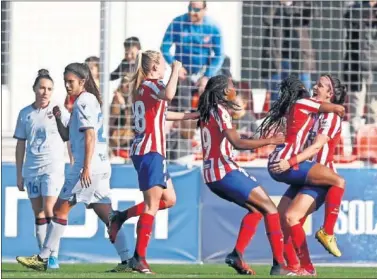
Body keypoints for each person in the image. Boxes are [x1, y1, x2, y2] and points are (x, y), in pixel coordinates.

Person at [15, 63, 129, 273]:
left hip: (88, 167)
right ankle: (128, 259)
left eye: (71, 82)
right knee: (108, 215)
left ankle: (43, 258)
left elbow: (90, 135)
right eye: (65, 81)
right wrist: (59, 117)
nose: (67, 85)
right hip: (101, 165)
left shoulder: (84, 101)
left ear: (82, 81)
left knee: (59, 210)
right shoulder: (84, 102)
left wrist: (85, 167)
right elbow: (68, 135)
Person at [107, 51, 199, 274]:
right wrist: (177, 70)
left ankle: (120, 217)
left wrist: (192, 115)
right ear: (154, 67)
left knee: (169, 200)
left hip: (150, 151)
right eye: (163, 64)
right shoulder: (151, 85)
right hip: (150, 151)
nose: (166, 67)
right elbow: (169, 95)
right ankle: (139, 259)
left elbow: (163, 114)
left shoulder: (144, 88)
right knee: (152, 206)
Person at [197, 75, 297, 276]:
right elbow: (237, 143)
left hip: (210, 175)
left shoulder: (207, 111)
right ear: (226, 91)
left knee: (257, 210)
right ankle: (279, 264)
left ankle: (237, 254)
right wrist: (271, 140)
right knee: (271, 209)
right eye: (233, 86)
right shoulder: (220, 110)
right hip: (225, 170)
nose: (235, 89)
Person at [259, 76, 346, 259]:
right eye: (316, 84)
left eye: (320, 86)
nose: (315, 87)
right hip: (304, 172)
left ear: (330, 93)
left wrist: (288, 162)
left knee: (291, 218)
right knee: (284, 219)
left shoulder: (330, 117)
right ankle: (293, 266)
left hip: (319, 177)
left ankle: (325, 236)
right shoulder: (312, 111)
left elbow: (316, 147)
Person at [13, 69, 70, 269]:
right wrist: (19, 173)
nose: (45, 92)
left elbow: (69, 136)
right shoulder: (25, 114)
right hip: (31, 168)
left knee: (50, 210)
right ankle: (42, 258)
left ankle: (52, 256)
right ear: (34, 89)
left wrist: (73, 161)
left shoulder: (58, 111)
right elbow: (20, 145)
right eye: (42, 88)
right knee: (38, 213)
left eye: (49, 89)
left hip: (52, 167)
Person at [161, 1, 224, 112]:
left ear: (205, 10)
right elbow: (164, 48)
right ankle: (185, 127)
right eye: (189, 8)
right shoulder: (178, 23)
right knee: (183, 109)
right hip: (184, 73)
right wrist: (176, 68)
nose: (191, 12)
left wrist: (207, 76)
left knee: (207, 104)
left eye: (196, 10)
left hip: (203, 71)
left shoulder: (212, 27)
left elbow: (219, 55)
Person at [261, 1, 317, 101]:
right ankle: (278, 116)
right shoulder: (271, 3)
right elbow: (266, 19)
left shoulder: (301, 3)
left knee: (304, 94)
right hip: (276, 58)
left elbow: (311, 16)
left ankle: (302, 116)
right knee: (277, 95)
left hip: (300, 58)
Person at [109, 76, 133, 158]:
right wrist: (123, 105)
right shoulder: (117, 99)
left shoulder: (136, 99)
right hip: (119, 138)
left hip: (130, 137)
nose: (125, 86)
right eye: (124, 83)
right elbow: (121, 121)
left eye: (128, 84)